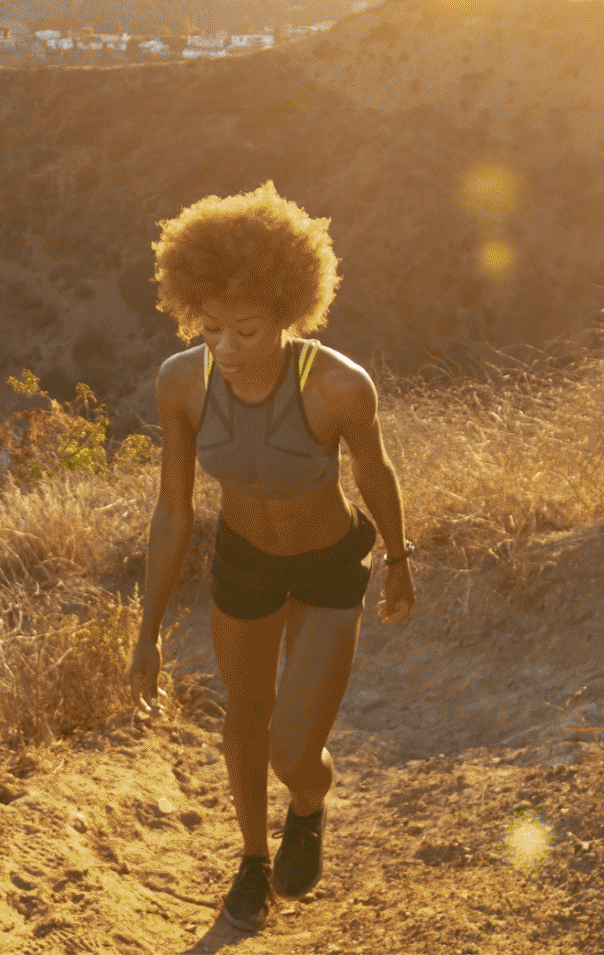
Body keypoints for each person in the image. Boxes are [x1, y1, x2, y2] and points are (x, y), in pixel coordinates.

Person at [129, 181, 415, 933]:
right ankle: (253, 863)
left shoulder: (338, 387)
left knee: (293, 751)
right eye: (212, 326)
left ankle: (309, 803)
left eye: (248, 331)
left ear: (290, 316)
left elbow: (375, 473)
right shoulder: (181, 385)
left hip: (326, 567)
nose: (225, 347)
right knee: (244, 719)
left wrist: (398, 559)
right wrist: (147, 632)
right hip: (245, 562)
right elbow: (172, 510)